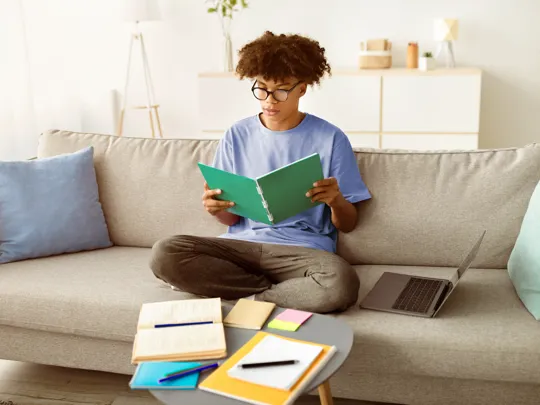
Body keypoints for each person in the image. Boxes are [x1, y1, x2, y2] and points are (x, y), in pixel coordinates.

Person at [150, 31, 371, 313]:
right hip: (241, 248)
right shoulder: (236, 135)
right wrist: (216, 208)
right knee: (165, 253)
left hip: (302, 252)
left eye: (281, 89)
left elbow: (349, 224)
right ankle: (280, 294)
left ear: (302, 89)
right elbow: (230, 218)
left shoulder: (331, 139)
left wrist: (336, 200)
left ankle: (250, 297)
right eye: (262, 88)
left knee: (340, 283)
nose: (269, 100)